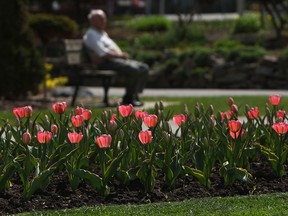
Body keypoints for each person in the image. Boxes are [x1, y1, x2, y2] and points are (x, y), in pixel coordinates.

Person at [83, 9, 149, 106]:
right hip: (104, 63)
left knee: (143, 68)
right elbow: (102, 53)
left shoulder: (102, 33)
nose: (103, 21)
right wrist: (120, 55)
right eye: (100, 19)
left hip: (113, 60)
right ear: (92, 21)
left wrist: (121, 55)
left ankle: (134, 95)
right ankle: (128, 99)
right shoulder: (91, 34)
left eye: (104, 19)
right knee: (133, 69)